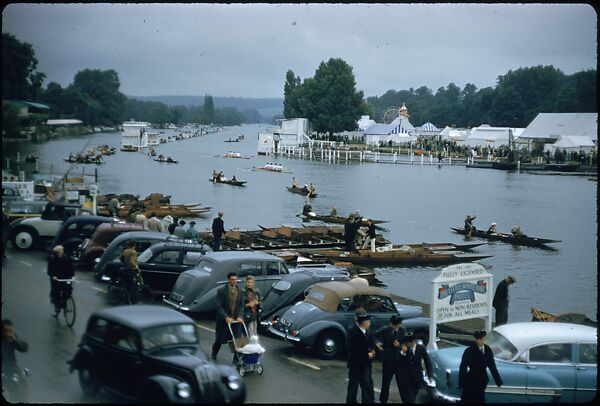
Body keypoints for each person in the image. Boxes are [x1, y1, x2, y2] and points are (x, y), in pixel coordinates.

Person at [459, 330, 503, 404]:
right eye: (477, 339)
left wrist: (498, 381)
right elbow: (463, 367)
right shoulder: (469, 350)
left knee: (480, 397)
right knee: (468, 398)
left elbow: (492, 366)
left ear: (484, 339)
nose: (479, 341)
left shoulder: (488, 350)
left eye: (481, 339)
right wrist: (462, 383)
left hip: (482, 379)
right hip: (471, 379)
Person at [211, 272, 244, 360]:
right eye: (232, 280)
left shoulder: (240, 291)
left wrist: (240, 316)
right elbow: (219, 306)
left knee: (237, 340)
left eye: (235, 280)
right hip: (224, 320)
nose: (234, 281)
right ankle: (214, 354)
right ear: (229, 280)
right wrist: (225, 317)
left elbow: (241, 305)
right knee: (219, 339)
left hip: (236, 320)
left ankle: (236, 359)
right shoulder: (221, 291)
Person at [375, 315, 407, 404]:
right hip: (388, 358)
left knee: (401, 382)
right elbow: (374, 335)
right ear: (391, 323)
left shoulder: (403, 330)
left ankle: (406, 400)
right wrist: (377, 344)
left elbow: (406, 344)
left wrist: (399, 346)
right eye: (394, 324)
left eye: (397, 325)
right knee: (386, 382)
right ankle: (383, 400)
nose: (395, 326)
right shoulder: (386, 329)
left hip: (399, 359)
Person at [346, 311, 376, 404]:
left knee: (367, 383)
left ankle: (368, 401)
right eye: (368, 321)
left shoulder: (368, 331)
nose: (370, 323)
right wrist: (366, 355)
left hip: (365, 364)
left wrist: (373, 349)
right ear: (364, 322)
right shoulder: (354, 332)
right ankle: (351, 401)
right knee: (353, 385)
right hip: (355, 364)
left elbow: (371, 343)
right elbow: (354, 350)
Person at [2, 320, 28, 403]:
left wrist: (16, 339)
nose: (9, 333)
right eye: (7, 331)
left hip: (11, 367)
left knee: (21, 383)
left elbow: (24, 348)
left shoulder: (12, 338)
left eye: (11, 331)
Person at [406, 332, 434, 402]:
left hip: (417, 377)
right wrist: (403, 353)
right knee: (410, 398)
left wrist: (430, 376)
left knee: (414, 395)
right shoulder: (405, 349)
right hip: (407, 377)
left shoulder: (421, 349)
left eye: (408, 343)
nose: (407, 344)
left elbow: (428, 362)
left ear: (413, 342)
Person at [47, 245, 75, 312]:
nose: (60, 252)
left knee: (68, 290)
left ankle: (65, 304)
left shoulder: (67, 258)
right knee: (56, 291)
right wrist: (53, 276)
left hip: (65, 277)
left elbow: (71, 267)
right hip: (56, 278)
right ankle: (57, 305)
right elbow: (50, 269)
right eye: (58, 251)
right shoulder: (52, 258)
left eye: (61, 251)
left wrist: (73, 276)